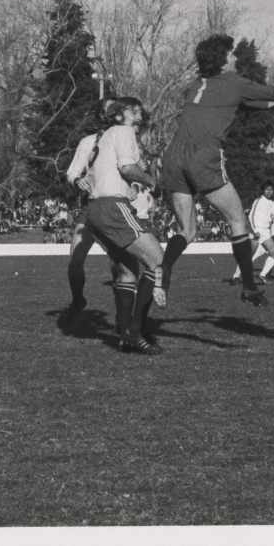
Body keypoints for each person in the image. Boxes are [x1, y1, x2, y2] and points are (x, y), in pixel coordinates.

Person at [159, 34, 274, 309]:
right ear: (223, 57)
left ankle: (163, 271)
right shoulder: (232, 82)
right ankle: (248, 287)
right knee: (238, 222)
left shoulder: (195, 84)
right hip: (204, 153)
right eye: (230, 53)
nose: (234, 57)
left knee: (186, 230)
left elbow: (240, 105)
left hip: (174, 154)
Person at [62, 97, 166, 355]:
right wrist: (156, 183)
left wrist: (135, 183)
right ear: (118, 116)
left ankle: (124, 335)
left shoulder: (108, 137)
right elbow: (127, 168)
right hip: (110, 208)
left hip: (98, 210)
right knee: (158, 260)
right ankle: (133, 329)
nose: (139, 116)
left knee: (128, 273)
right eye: (134, 111)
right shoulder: (120, 132)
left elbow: (122, 173)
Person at [233, 183, 274, 285]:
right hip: (257, 231)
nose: (269, 192)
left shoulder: (272, 203)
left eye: (271, 190)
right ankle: (236, 275)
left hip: (266, 232)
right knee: (247, 256)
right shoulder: (259, 201)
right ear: (263, 190)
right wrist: (254, 230)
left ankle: (262, 275)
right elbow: (251, 216)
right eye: (267, 189)